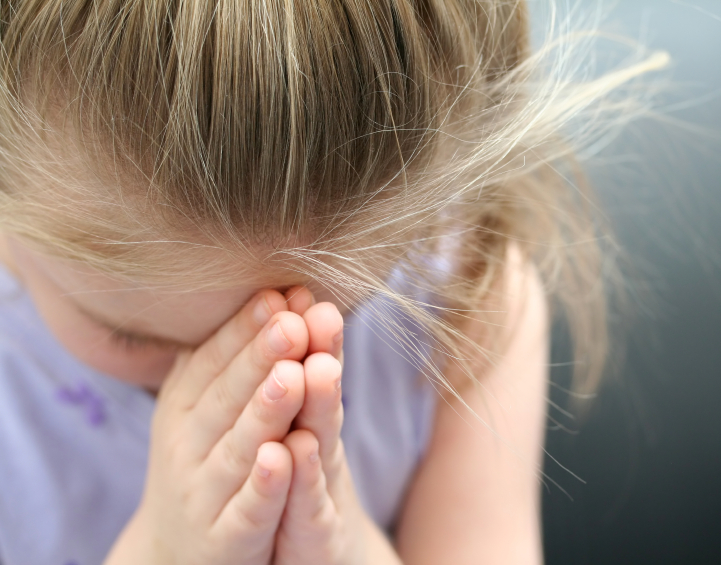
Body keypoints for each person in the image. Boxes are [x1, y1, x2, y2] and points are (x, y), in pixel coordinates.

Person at [0, 1, 668, 563]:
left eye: (332, 317)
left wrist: (340, 543)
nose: (229, 392)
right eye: (129, 334)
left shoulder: (464, 296)